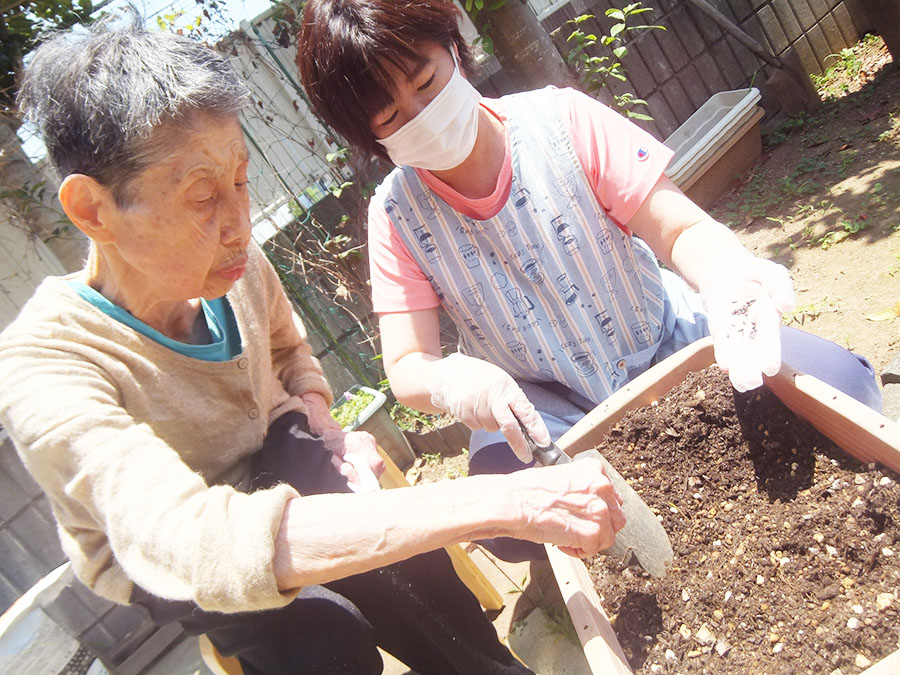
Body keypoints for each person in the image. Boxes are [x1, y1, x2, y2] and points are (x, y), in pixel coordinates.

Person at [0, 17, 629, 674]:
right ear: (94, 210)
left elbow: (290, 350)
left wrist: (320, 418)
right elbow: (190, 540)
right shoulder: (45, 367)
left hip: (274, 451)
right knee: (325, 644)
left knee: (409, 564)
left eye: (240, 180)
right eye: (203, 196)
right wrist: (509, 499)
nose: (239, 224)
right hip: (170, 553)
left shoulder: (231, 264)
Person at [296, 0, 883, 562]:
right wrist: (453, 383)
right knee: (503, 526)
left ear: (455, 47)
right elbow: (407, 366)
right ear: (374, 140)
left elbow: (678, 229)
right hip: (543, 410)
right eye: (393, 117)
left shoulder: (561, 121)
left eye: (425, 84)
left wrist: (728, 275)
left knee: (846, 391)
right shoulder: (396, 217)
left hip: (669, 343)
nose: (422, 116)